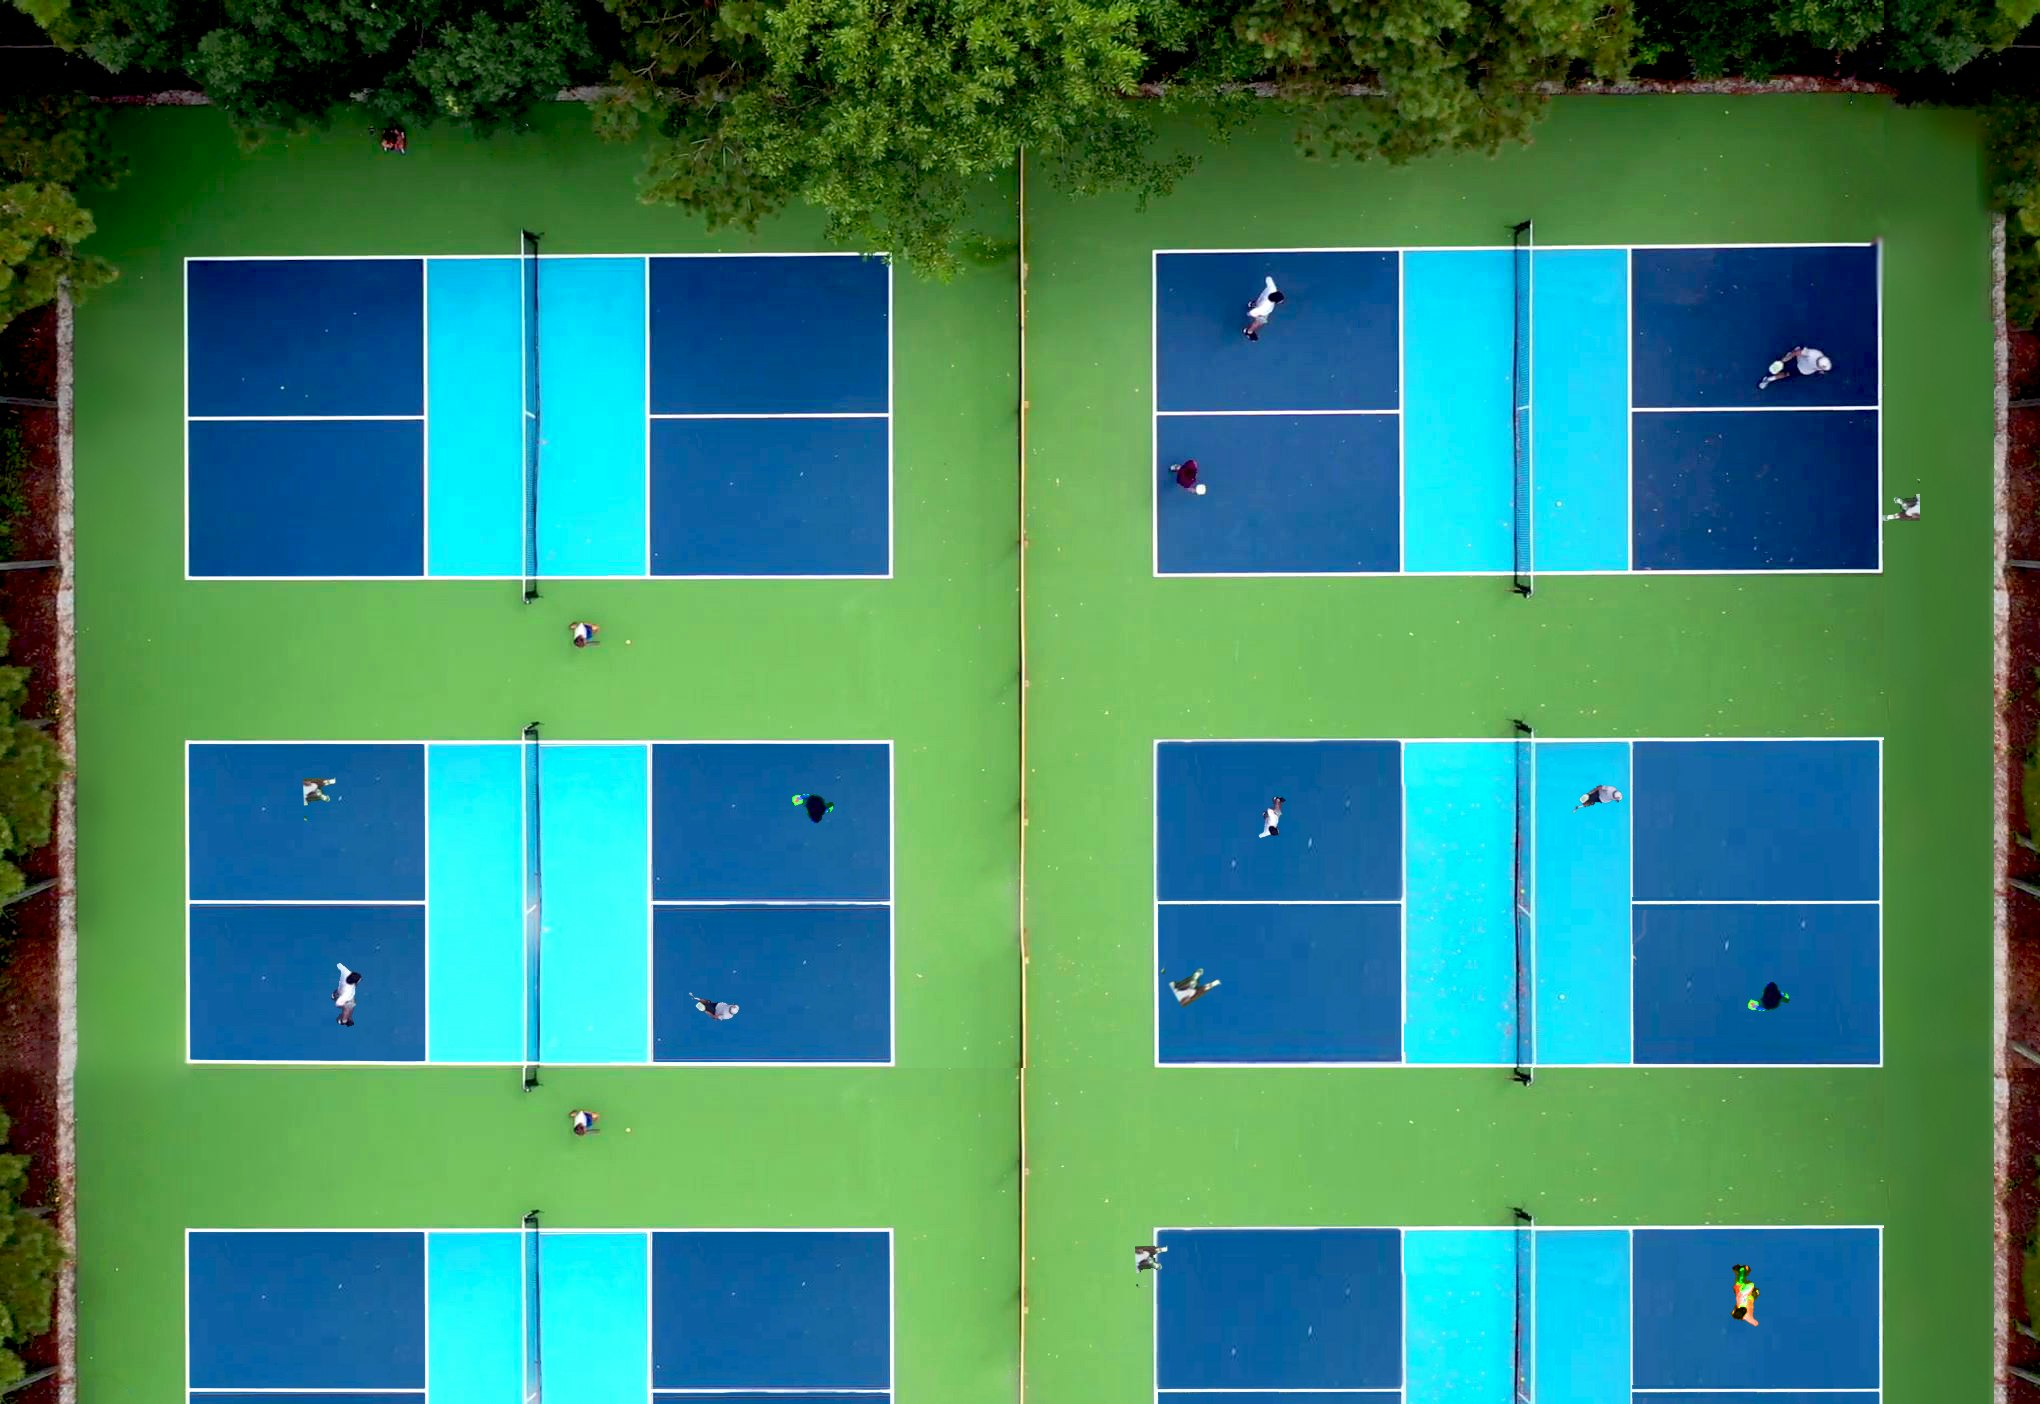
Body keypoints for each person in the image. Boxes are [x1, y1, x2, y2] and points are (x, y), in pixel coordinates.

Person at [1758, 346, 1831, 390]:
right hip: (1798, 360)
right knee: (1795, 352)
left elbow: (1823, 368)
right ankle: (1789, 355)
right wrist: (1783, 360)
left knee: (1786, 374)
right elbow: (1796, 353)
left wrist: (1820, 371)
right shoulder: (1812, 353)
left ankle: (1768, 379)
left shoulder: (1826, 364)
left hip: (1802, 370)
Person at [1243, 276, 1285, 341]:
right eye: (1280, 301)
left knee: (1257, 303)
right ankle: (1248, 332)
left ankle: (1252, 304)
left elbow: (1268, 278)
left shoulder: (1273, 288)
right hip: (1263, 313)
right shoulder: (1265, 307)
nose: (1282, 302)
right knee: (1259, 322)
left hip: (1260, 301)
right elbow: (1252, 313)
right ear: (1274, 301)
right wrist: (1252, 314)